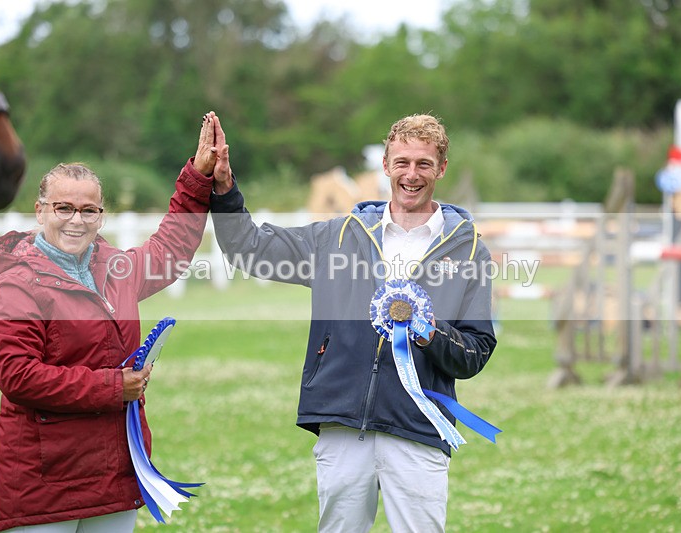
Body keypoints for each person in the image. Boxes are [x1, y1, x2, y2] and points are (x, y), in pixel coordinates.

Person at [207, 113, 497, 532]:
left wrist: (431, 333)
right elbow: (248, 248)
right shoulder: (337, 237)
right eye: (402, 163)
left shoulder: (469, 253)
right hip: (343, 424)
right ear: (385, 165)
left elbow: (476, 352)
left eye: (423, 164)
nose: (411, 175)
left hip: (417, 427)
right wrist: (223, 189)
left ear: (441, 169)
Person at [0, 113, 223, 532]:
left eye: (89, 210)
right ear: (40, 212)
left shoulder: (116, 269)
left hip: (112, 475)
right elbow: (18, 377)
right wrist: (114, 387)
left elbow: (173, 246)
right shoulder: (16, 285)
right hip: (43, 484)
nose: (77, 220)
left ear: (102, 216)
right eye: (64, 208)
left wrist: (197, 177)